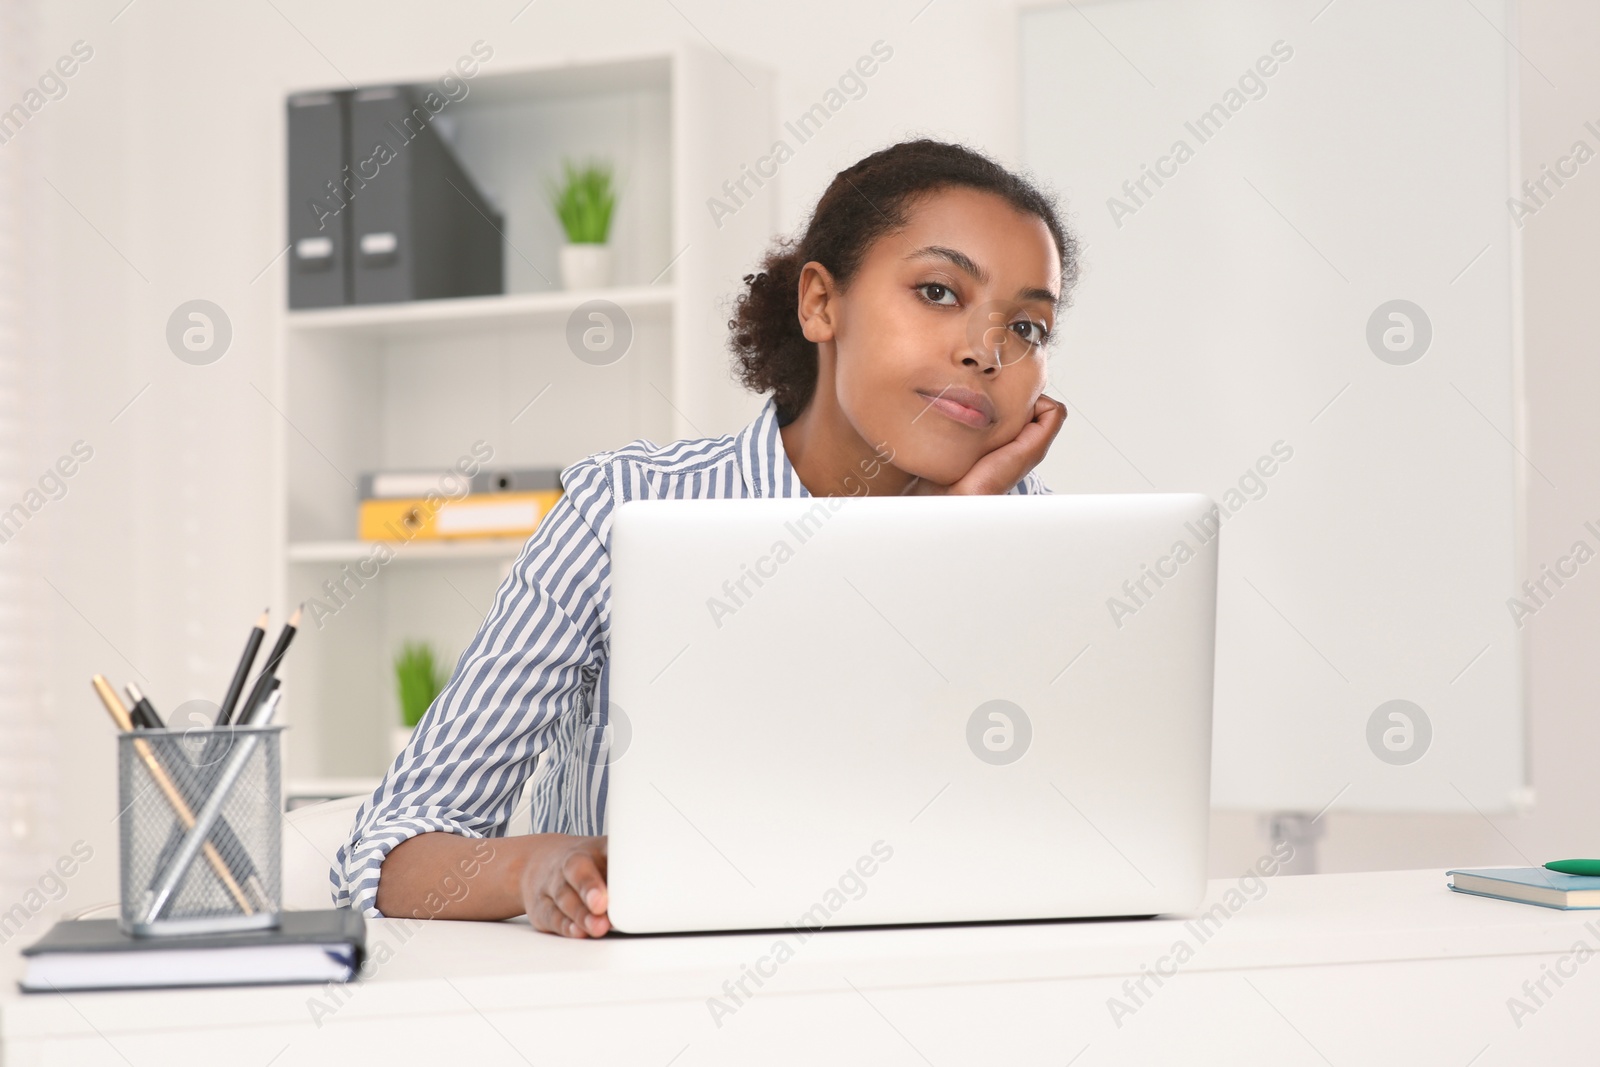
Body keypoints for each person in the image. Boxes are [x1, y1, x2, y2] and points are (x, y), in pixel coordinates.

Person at [332, 138, 1081, 937]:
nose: (987, 351)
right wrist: (540, 864)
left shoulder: (1025, 531)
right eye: (938, 291)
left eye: (1029, 327)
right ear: (822, 304)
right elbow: (387, 853)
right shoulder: (620, 508)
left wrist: (948, 548)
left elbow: (1050, 837)